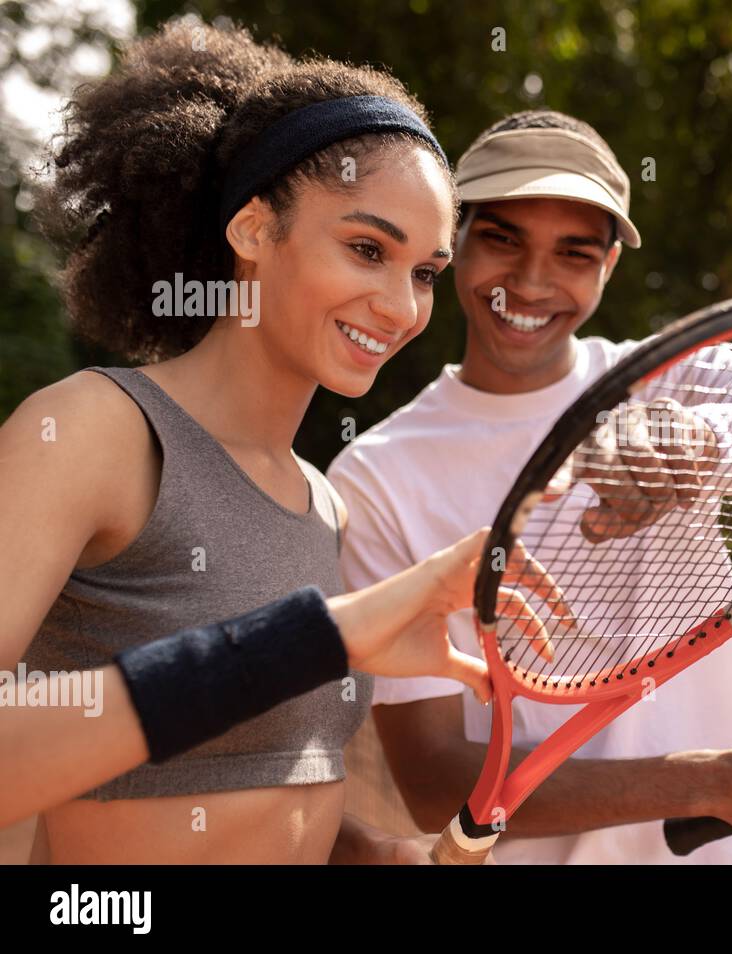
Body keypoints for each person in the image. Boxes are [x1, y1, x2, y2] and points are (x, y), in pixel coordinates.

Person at [1, 19, 535, 864]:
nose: (402, 307)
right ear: (253, 230)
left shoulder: (325, 503)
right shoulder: (94, 431)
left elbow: (257, 792)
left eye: (426, 272)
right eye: (367, 248)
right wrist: (314, 638)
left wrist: (375, 855)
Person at [329, 110, 732, 865]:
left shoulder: (678, 374)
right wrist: (713, 783)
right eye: (503, 239)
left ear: (608, 268)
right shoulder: (375, 477)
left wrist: (707, 444)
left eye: (573, 253)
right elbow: (438, 783)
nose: (532, 282)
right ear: (453, 245)